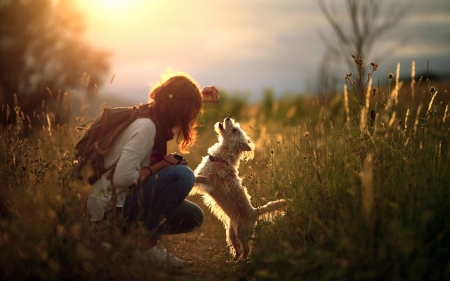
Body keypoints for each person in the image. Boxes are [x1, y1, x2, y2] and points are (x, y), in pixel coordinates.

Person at [86, 71, 220, 268]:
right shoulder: (146, 127)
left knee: (194, 216)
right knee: (182, 175)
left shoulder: (153, 117)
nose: (192, 117)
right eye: (190, 110)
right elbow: (121, 179)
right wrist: (163, 165)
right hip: (109, 209)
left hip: (122, 200)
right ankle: (146, 247)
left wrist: (196, 97)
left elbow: (170, 122)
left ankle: (128, 240)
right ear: (179, 109)